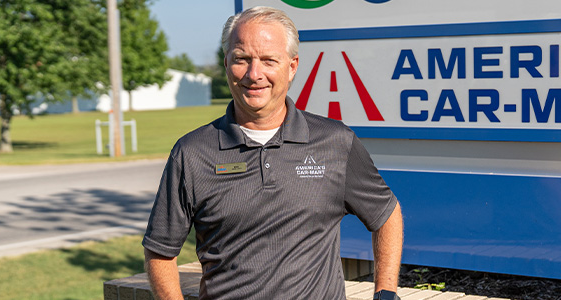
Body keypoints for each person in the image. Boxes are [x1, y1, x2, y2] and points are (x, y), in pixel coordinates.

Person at [142, 6, 404, 300]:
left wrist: (385, 293)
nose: (255, 75)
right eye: (242, 59)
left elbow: (386, 214)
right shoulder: (191, 153)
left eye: (269, 60)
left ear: (292, 67)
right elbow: (160, 251)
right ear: (227, 62)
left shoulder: (335, 142)